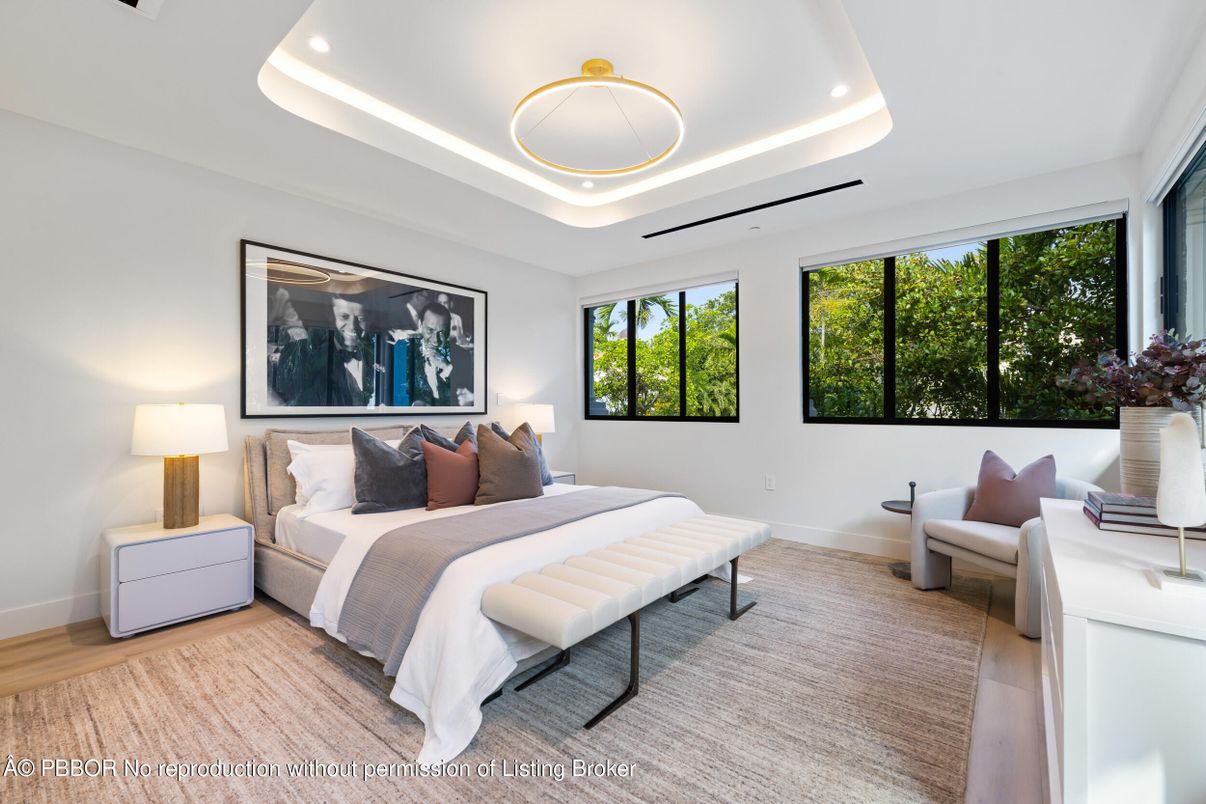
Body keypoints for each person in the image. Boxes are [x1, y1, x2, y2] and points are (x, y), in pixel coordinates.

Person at [272, 294, 380, 407]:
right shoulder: (310, 360)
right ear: (331, 316)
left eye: (361, 318)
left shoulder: (376, 353)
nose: (353, 326)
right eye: (344, 317)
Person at [410, 301, 474, 406]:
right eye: (430, 330)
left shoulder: (462, 355)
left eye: (442, 332)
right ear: (420, 325)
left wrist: (447, 367)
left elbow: (466, 399)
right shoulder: (406, 353)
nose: (436, 340)